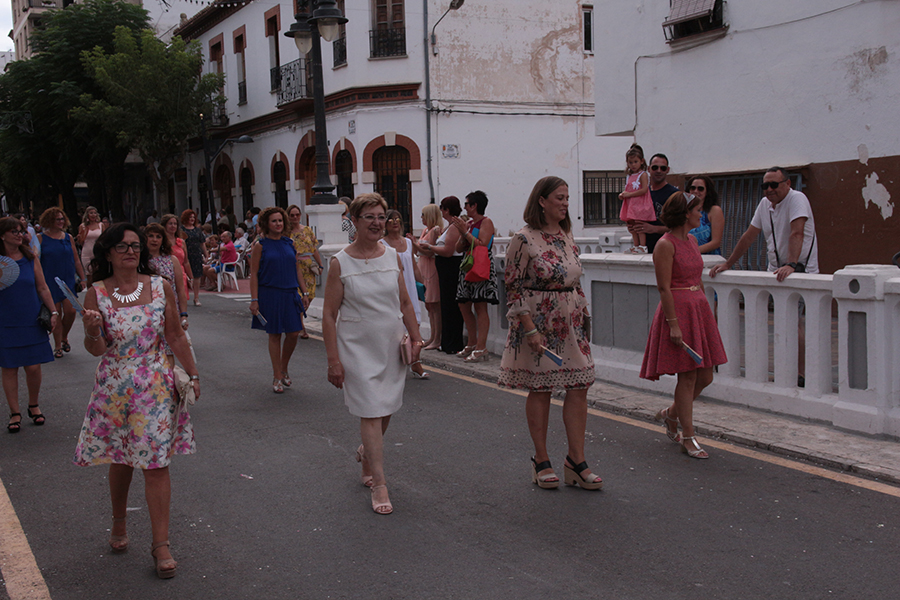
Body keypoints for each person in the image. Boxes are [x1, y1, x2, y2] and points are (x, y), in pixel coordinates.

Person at [74, 223, 199, 579]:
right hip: (114, 386)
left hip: (155, 384)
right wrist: (92, 330)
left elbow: (174, 334)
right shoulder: (96, 293)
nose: (131, 251)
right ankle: (119, 521)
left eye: (135, 246)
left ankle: (161, 544)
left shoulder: (159, 286)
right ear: (108, 253)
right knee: (121, 458)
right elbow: (97, 349)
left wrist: (193, 374)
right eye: (122, 246)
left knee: (156, 463)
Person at [322, 193, 424, 515]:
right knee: (370, 409)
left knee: (386, 406)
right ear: (354, 221)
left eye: (381, 216)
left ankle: (367, 453)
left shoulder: (392, 256)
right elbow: (328, 315)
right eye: (370, 217)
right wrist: (333, 360)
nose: (378, 223)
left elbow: (405, 302)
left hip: (390, 344)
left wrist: (417, 338)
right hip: (356, 347)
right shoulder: (340, 262)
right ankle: (379, 483)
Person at [498, 177, 601, 490]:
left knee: (579, 385)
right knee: (541, 388)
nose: (565, 203)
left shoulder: (566, 235)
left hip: (571, 322)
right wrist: (529, 329)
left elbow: (575, 279)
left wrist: (584, 314)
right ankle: (541, 460)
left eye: (567, 197)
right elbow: (513, 287)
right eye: (559, 197)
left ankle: (576, 460)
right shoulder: (523, 239)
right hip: (539, 323)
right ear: (542, 201)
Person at [709, 167, 818, 386]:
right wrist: (729, 263)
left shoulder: (797, 199)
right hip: (776, 271)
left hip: (799, 270)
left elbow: (797, 232)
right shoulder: (764, 205)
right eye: (765, 185)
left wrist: (791, 264)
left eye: (774, 185)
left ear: (787, 184)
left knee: (793, 323)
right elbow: (749, 236)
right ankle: (788, 370)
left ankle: (802, 373)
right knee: (782, 323)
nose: (769, 189)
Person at [640, 192, 727, 459]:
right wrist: (673, 325)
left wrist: (706, 312)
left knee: (706, 376)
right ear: (685, 213)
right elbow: (664, 287)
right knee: (687, 376)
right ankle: (688, 437)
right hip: (678, 311)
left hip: (697, 309)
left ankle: (671, 414)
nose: (701, 214)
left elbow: (696, 277)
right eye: (697, 210)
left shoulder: (691, 240)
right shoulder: (665, 245)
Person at [0, 217, 57, 433]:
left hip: (30, 319)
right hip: (5, 320)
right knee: (9, 367)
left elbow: (42, 287)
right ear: (2, 235)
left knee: (33, 366)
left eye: (21, 231)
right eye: (14, 231)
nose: (19, 235)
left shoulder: (30, 257)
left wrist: (53, 311)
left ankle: (34, 404)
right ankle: (14, 412)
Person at [249, 207, 310, 393]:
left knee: (294, 332)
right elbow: (254, 274)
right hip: (270, 293)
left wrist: (305, 293)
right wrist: (254, 299)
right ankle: (277, 375)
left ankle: (284, 368)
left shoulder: (289, 243)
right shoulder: (260, 245)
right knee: (275, 334)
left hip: (290, 293)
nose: (278, 224)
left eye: (280, 220)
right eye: (274, 221)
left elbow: (296, 269)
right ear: (267, 223)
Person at [451, 190, 499, 362]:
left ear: (474, 205)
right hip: (467, 265)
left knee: (480, 306)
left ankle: (481, 347)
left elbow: (482, 244)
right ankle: (471, 343)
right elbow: (458, 248)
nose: (464, 207)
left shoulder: (486, 222)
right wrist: (462, 233)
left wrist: (466, 233)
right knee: (463, 304)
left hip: (480, 264)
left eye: (466, 204)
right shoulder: (469, 224)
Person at [381, 209, 428, 379]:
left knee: (414, 324)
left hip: (410, 289)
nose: (395, 222)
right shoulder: (381, 244)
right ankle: (394, 364)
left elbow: (414, 267)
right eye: (391, 219)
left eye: (397, 219)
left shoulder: (408, 242)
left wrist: (423, 286)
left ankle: (415, 362)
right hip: (393, 290)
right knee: (395, 328)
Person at [38, 207, 85, 358]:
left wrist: (83, 278)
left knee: (71, 311)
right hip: (49, 279)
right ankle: (58, 345)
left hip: (67, 279)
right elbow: (35, 260)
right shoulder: (40, 238)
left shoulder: (68, 237)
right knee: (56, 312)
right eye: (57, 219)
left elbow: (76, 259)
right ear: (49, 220)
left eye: (62, 218)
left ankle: (64, 336)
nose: (60, 221)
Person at [428, 196, 466, 354]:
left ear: (447, 210)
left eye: (443, 209)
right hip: (445, 270)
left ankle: (452, 343)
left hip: (451, 269)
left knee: (451, 306)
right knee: (446, 305)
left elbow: (449, 251)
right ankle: (447, 341)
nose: (441, 212)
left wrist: (430, 247)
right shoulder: (450, 226)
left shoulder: (454, 227)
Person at [145, 223, 189, 359]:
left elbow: (180, 289)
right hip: (147, 312)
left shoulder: (171, 260)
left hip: (169, 312)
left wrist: (183, 314)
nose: (154, 240)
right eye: (151, 236)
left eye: (158, 237)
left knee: (168, 351)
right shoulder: (139, 261)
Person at [407, 204, 443, 350]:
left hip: (431, 268)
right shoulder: (425, 230)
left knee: (434, 304)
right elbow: (419, 251)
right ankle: (432, 337)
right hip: (423, 266)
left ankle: (437, 337)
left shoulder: (435, 231)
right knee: (428, 304)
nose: (421, 217)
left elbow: (430, 252)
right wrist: (414, 245)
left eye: (423, 214)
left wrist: (415, 244)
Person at [627, 153, 679, 253]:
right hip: (644, 251)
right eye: (655, 167)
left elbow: (680, 227)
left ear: (667, 170)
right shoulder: (642, 193)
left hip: (667, 251)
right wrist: (633, 227)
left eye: (663, 168)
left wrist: (654, 229)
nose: (659, 171)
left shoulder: (675, 195)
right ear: (649, 169)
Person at [286, 205, 324, 339]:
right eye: (292, 215)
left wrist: (320, 265)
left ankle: (297, 319)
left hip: (308, 266)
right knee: (299, 296)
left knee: (310, 295)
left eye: (297, 214)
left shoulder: (307, 230)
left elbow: (314, 249)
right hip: (293, 266)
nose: (295, 217)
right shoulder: (286, 233)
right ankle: (301, 327)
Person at [618, 144, 655, 253]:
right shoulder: (629, 176)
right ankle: (635, 245)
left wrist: (629, 195)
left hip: (639, 204)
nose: (633, 165)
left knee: (639, 226)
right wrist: (623, 195)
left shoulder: (643, 175)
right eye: (630, 162)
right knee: (632, 225)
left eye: (635, 162)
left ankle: (643, 246)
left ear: (641, 161)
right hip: (631, 204)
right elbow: (628, 189)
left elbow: (644, 190)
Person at [686, 175, 725, 255]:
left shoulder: (714, 210)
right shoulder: (684, 210)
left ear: (707, 191)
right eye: (692, 188)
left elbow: (716, 242)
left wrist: (691, 252)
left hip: (708, 258)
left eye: (700, 189)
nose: (695, 191)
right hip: (686, 257)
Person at [160, 214, 192, 296]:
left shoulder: (181, 242)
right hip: (166, 274)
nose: (173, 226)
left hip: (181, 274)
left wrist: (191, 277)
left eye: (175, 224)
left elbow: (186, 262)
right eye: (170, 223)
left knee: (182, 297)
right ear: (165, 225)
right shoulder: (160, 241)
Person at [180, 209, 207, 306]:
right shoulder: (181, 230)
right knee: (183, 275)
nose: (192, 219)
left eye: (193, 217)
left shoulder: (197, 230)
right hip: (185, 254)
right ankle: (183, 296)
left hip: (196, 254)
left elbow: (202, 243)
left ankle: (196, 297)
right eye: (190, 217)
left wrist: (206, 254)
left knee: (197, 276)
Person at [76, 206, 106, 276]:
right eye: (91, 213)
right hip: (86, 252)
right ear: (87, 215)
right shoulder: (82, 226)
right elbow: (81, 242)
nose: (93, 215)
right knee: (89, 274)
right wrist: (81, 236)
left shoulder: (101, 225)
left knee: (98, 273)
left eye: (95, 213)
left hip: (98, 252)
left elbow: (104, 238)